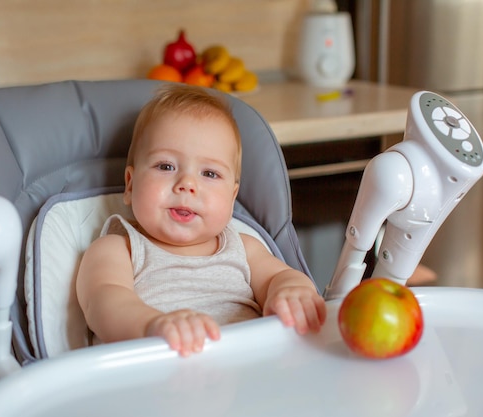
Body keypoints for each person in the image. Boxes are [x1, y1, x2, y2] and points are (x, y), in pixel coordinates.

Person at [76, 83, 326, 357]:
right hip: (155, 373)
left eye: (209, 174)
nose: (187, 184)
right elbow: (103, 303)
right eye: (166, 166)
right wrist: (151, 325)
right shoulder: (118, 249)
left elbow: (280, 277)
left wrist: (290, 291)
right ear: (130, 185)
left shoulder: (245, 248)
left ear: (232, 197)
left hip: (250, 367)